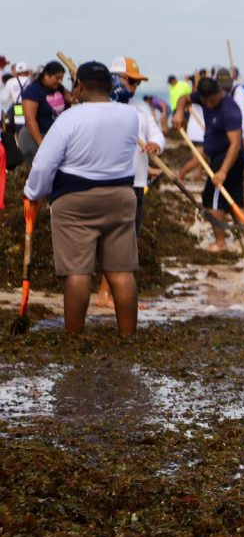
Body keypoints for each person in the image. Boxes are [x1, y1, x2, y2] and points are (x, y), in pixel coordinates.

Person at [23, 61, 140, 336]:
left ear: (81, 87)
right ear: (111, 86)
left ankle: (74, 337)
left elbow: (44, 164)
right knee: (121, 271)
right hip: (121, 197)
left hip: (75, 200)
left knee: (78, 272)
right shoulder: (130, 115)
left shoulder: (69, 118)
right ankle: (128, 336)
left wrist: (32, 193)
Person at [94, 56, 165, 310]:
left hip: (136, 182)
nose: (135, 86)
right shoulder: (100, 107)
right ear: (115, 79)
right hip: (109, 181)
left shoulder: (141, 108)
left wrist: (157, 144)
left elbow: (156, 132)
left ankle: (110, 294)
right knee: (113, 239)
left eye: (137, 82)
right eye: (131, 80)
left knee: (129, 239)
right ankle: (106, 295)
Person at [173, 76, 244, 252]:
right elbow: (184, 98)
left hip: (229, 159)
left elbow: (235, 144)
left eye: (212, 100)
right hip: (217, 157)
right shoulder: (202, 98)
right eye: (206, 101)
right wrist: (179, 112)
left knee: (214, 201)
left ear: (219, 93)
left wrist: (222, 171)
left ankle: (220, 243)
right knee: (233, 201)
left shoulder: (230, 110)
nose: (210, 104)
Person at [19, 61, 72, 163]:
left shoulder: (58, 88)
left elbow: (74, 99)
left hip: (53, 136)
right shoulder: (33, 90)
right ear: (46, 75)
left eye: (61, 78)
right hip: (34, 137)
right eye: (57, 78)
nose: (59, 81)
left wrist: (75, 79)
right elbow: (30, 119)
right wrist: (42, 144)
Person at [217, 67, 244, 204]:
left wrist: (233, 140)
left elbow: (242, 121)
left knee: (243, 173)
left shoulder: (239, 94)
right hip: (231, 137)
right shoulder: (221, 92)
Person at [1, 62, 33, 136]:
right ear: (27, 72)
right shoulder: (32, 80)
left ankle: (18, 141)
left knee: (19, 126)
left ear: (16, 72)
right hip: (31, 107)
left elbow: (4, 99)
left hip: (18, 106)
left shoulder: (11, 81)